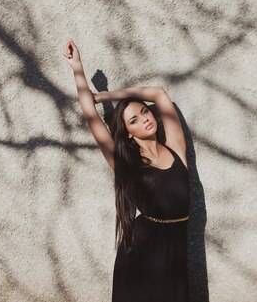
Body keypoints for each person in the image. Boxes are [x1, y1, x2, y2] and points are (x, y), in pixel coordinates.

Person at [62, 39, 190, 302]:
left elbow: (158, 93)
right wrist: (77, 67)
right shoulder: (126, 164)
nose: (145, 119)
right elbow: (91, 116)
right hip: (142, 257)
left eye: (144, 112)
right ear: (128, 134)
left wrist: (104, 96)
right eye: (134, 120)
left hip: (175, 256)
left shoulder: (176, 147)